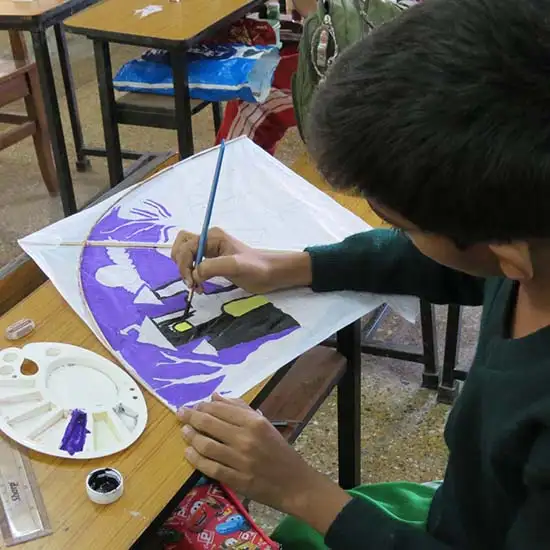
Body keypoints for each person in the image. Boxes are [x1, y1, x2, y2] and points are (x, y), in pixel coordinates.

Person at [170, 0, 550, 547]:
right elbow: (447, 262)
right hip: (468, 506)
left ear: (505, 250)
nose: (399, 236)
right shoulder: (529, 239)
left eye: (399, 224)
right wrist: (286, 265)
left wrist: (300, 489)